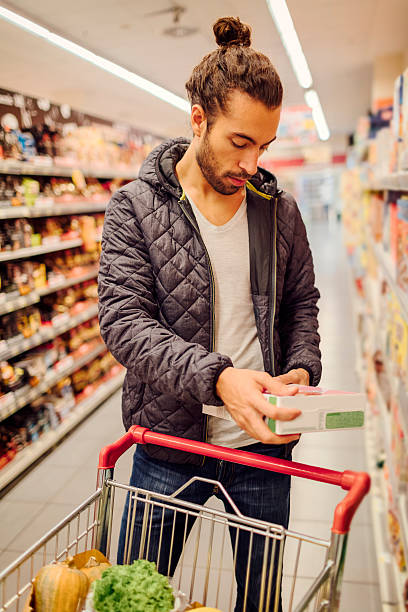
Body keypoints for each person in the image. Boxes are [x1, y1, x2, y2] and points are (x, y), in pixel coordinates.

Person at [98, 16, 321, 612]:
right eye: (239, 142)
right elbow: (125, 323)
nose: (252, 164)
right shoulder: (136, 208)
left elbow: (302, 301)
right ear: (198, 119)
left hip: (263, 447)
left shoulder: (277, 210)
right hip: (170, 448)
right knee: (136, 597)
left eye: (264, 146)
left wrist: (302, 365)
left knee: (261, 600)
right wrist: (219, 378)